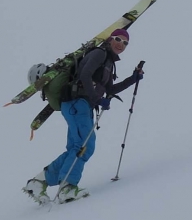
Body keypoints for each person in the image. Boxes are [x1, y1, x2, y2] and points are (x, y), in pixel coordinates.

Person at [24, 28, 144, 204]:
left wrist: (133, 78)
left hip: (80, 105)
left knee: (76, 146)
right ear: (110, 39)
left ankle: (39, 181)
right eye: (118, 39)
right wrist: (97, 98)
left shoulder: (109, 62)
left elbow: (110, 89)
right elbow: (85, 74)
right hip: (76, 102)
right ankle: (67, 188)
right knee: (85, 145)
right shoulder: (99, 53)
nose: (121, 44)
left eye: (125, 43)